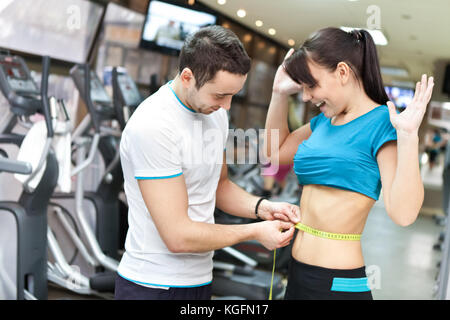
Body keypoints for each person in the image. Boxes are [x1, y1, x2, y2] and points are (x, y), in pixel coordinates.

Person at [115, 26, 300, 300]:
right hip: (152, 285)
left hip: (199, 279)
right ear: (188, 77)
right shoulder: (153, 125)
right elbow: (177, 236)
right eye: (219, 95)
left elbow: (220, 186)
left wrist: (264, 208)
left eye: (233, 95)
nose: (227, 106)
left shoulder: (215, 115)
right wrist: (254, 232)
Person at [264, 27, 434, 300]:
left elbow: (404, 215)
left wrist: (408, 136)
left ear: (342, 72)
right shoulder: (324, 122)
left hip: (338, 284)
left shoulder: (382, 124)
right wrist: (277, 93)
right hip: (296, 273)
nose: (306, 96)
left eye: (312, 85)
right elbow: (274, 154)